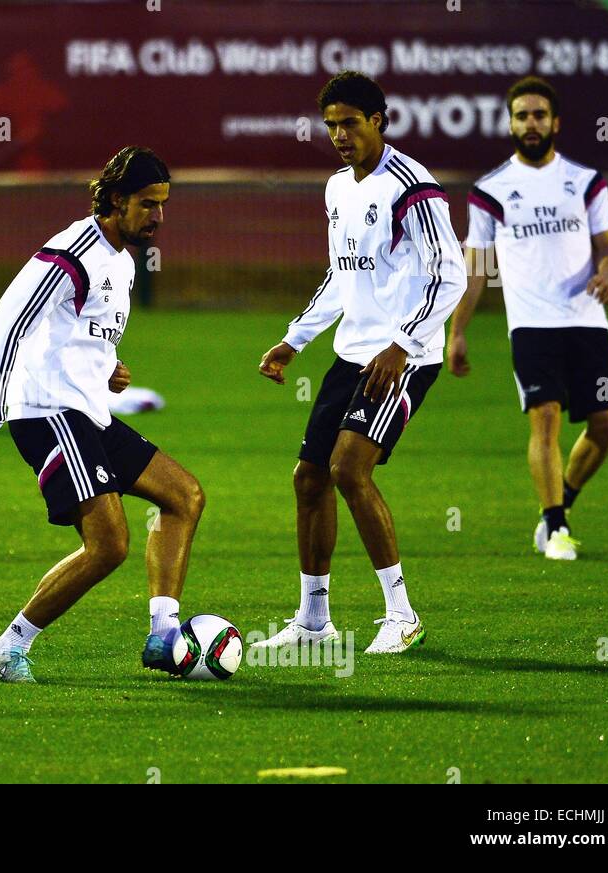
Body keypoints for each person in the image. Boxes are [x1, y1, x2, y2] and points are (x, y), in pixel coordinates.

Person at [0, 147, 206, 683]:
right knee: (109, 545)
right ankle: (8, 648)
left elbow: (80, 331)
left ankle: (163, 635)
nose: (157, 215)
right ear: (115, 200)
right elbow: (10, 324)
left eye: (163, 204)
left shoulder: (122, 260)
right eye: (147, 204)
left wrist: (106, 369)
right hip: (46, 411)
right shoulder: (75, 249)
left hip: (84, 410)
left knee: (184, 496)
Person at [254, 72, 466, 655]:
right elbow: (341, 277)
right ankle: (313, 622)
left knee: (350, 469)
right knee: (309, 478)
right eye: (330, 125)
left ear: (380, 120)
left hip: (403, 359)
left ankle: (402, 614)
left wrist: (403, 342)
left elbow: (451, 274)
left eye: (350, 122)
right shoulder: (337, 188)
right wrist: (294, 340)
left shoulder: (412, 186)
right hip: (352, 354)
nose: (339, 135)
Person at [447, 76, 608, 561]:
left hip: (587, 320)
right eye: (522, 115)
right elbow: (478, 265)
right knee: (545, 420)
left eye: (539, 115)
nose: (531, 123)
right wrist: (457, 331)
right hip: (531, 325)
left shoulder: (586, 181)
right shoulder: (491, 190)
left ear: (555, 122)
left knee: (607, 422)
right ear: (510, 123)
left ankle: (559, 502)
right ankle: (558, 527)